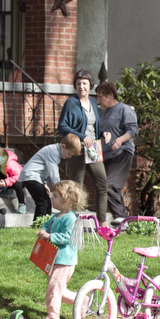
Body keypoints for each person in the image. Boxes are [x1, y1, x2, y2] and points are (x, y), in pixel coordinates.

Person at [57, 70, 111, 226]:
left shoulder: (94, 103)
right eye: (79, 83)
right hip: (76, 148)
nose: (81, 87)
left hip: (93, 147)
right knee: (75, 187)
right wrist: (81, 136)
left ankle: (102, 223)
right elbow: (62, 126)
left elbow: (92, 128)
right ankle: (70, 222)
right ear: (75, 85)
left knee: (102, 184)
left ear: (90, 85)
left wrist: (103, 133)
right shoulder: (71, 103)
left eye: (85, 83)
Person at [34, 180, 88, 319]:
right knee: (58, 290)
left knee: (53, 288)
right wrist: (43, 230)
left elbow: (67, 238)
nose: (52, 198)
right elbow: (47, 225)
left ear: (66, 200)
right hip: (55, 259)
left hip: (65, 261)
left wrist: (49, 236)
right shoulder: (57, 216)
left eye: (55, 196)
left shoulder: (70, 218)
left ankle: (53, 317)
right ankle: (81, 300)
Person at [96, 81, 139, 226]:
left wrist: (120, 140)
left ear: (110, 95)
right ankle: (123, 220)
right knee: (109, 186)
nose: (98, 100)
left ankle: (121, 219)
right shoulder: (103, 114)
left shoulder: (124, 109)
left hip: (122, 152)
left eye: (101, 97)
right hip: (106, 156)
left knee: (109, 185)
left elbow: (133, 130)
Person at [18, 134, 82, 221]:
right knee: (43, 202)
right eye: (69, 153)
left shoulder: (55, 151)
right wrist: (61, 190)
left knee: (46, 202)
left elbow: (42, 169)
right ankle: (39, 225)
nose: (69, 157)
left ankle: (45, 225)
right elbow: (54, 174)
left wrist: (43, 184)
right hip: (31, 175)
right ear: (63, 146)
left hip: (35, 176)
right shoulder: (53, 152)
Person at [0, 148, 27, 213]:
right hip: (10, 180)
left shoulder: (10, 164)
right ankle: (6, 190)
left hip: (20, 180)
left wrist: (6, 182)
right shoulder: (1, 166)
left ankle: (22, 204)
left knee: (17, 184)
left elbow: (18, 176)